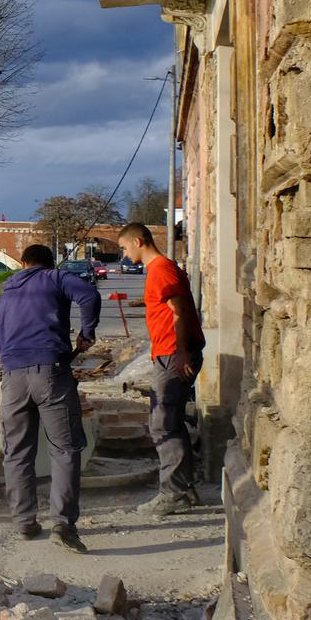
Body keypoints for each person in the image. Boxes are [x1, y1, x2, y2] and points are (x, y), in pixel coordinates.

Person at [0, 243, 101, 553]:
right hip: (51, 372)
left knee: (17, 451)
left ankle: (24, 522)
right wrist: (87, 332)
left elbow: (1, 338)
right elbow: (89, 295)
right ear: (49, 263)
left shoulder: (6, 293)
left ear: (23, 263)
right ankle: (63, 524)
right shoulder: (54, 278)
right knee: (64, 449)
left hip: (12, 378)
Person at [118, 221, 205, 517]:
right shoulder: (161, 269)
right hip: (169, 353)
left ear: (138, 242)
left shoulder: (161, 270)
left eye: (124, 248)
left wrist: (182, 353)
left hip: (172, 355)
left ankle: (173, 494)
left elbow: (179, 311)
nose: (124, 254)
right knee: (173, 421)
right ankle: (185, 488)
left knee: (163, 423)